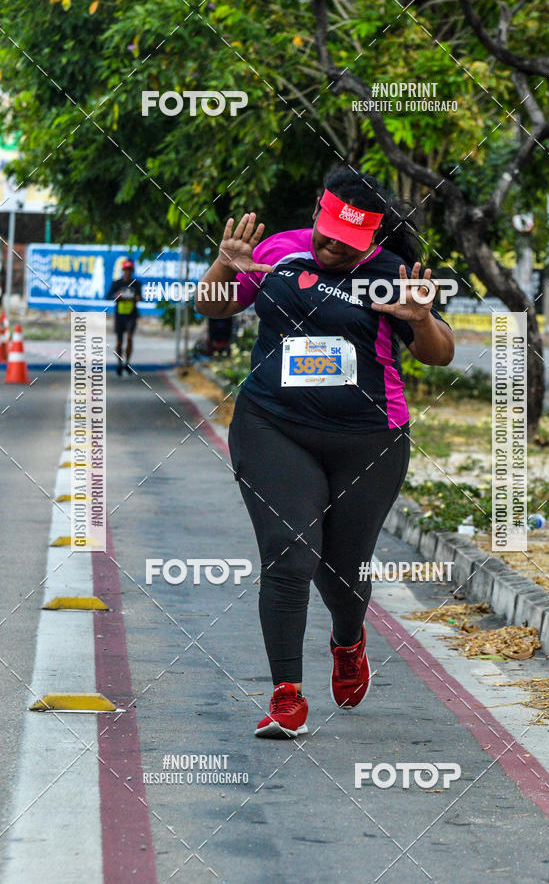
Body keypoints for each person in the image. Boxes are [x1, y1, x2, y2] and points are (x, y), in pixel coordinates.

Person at [196, 165, 454, 738]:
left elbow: (440, 355)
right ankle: (286, 696)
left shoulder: (392, 275)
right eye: (328, 230)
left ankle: (347, 638)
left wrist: (421, 319)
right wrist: (226, 267)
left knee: (342, 569)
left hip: (368, 439)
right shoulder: (278, 252)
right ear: (318, 209)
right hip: (273, 425)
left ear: (372, 239)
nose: (333, 245)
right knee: (289, 553)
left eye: (350, 241)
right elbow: (213, 307)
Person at [106, 258, 142, 375]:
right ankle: (119, 363)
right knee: (120, 341)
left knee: (130, 338)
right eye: (126, 269)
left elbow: (140, 297)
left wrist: (137, 298)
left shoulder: (136, 284)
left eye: (129, 270)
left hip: (131, 315)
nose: (127, 272)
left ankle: (127, 362)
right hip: (120, 315)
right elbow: (108, 296)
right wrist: (116, 296)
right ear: (123, 270)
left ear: (132, 271)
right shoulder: (117, 283)